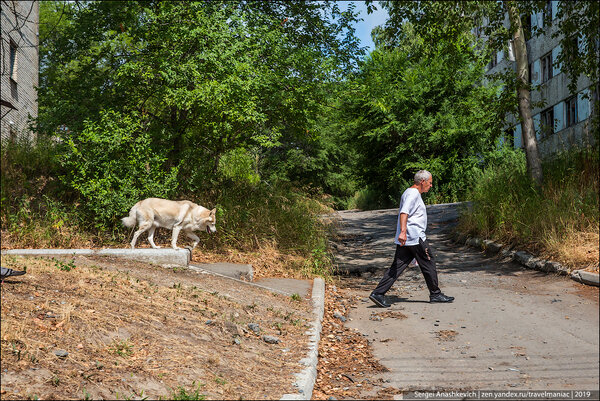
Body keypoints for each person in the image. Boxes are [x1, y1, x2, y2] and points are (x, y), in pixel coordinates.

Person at [369, 170, 454, 307]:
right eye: (430, 183)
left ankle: (378, 293)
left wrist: (403, 234)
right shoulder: (413, 194)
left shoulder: (410, 193)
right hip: (414, 237)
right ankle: (436, 294)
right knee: (429, 262)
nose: (431, 186)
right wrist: (403, 232)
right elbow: (404, 212)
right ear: (423, 182)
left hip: (408, 238)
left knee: (397, 267)